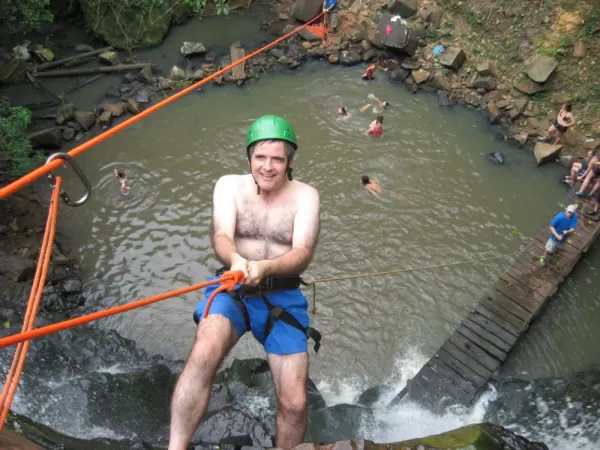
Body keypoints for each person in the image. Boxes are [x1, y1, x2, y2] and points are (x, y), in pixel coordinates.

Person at [168, 115, 321, 450]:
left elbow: (303, 252)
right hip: (233, 286)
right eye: (260, 158)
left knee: (294, 402)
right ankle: (175, 447)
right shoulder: (228, 186)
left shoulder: (306, 196)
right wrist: (237, 260)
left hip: (282, 293)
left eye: (277, 159)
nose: (268, 167)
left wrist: (266, 267)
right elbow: (221, 236)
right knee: (204, 351)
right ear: (249, 157)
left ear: (290, 162)